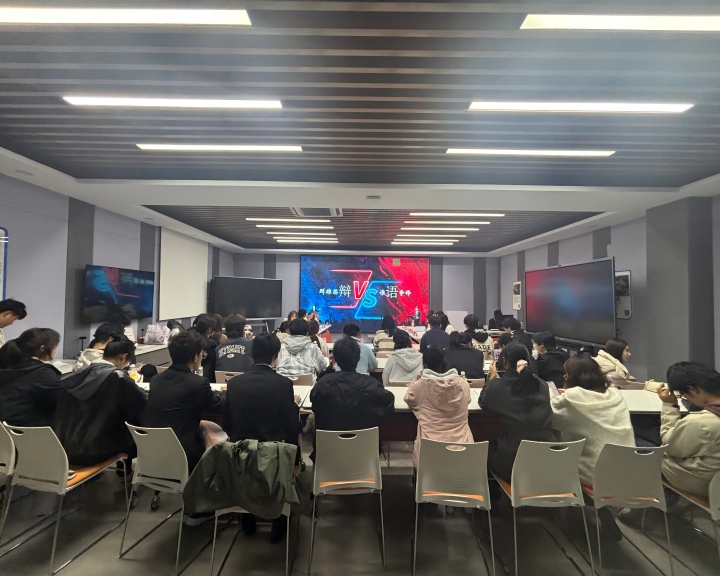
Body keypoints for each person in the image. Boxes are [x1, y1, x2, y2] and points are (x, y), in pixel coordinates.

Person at [223, 333, 302, 542]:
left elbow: (227, 424)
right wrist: (295, 460)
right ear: (276, 355)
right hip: (273, 459)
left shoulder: (234, 383)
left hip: (241, 457)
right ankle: (279, 520)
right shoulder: (283, 384)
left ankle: (247, 520)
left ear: (252, 353)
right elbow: (291, 427)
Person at [53, 335, 146, 466]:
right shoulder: (118, 378)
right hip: (99, 449)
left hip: (67, 447)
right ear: (124, 357)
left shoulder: (79, 374)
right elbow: (142, 404)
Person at [144, 330, 225, 472]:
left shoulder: (156, 380)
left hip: (154, 452)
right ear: (195, 357)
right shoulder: (198, 383)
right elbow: (218, 407)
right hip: (186, 453)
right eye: (201, 354)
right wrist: (223, 392)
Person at [550, 353, 634, 486]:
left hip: (597, 474)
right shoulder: (615, 394)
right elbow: (586, 397)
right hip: (630, 470)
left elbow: (550, 416)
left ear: (572, 378)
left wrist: (551, 394)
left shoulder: (572, 397)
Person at [479, 342, 555, 482]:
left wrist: (491, 378)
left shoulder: (497, 387)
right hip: (548, 459)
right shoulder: (542, 385)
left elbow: (484, 402)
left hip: (515, 462)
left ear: (504, 362)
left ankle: (493, 489)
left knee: (483, 446)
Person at [310, 337, 395, 461]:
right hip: (365, 455)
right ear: (358, 358)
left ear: (335, 359)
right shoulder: (372, 385)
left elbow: (315, 407)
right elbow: (389, 408)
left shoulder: (322, 385)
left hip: (328, 455)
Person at [657, 362, 720, 498]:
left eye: (683, 395)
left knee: (648, 450)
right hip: (714, 477)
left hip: (707, 485)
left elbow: (669, 446)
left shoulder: (699, 423)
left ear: (692, 390)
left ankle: (645, 506)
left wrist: (669, 405)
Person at [404, 346, 473, 469]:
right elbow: (467, 400)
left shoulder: (420, 386)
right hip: (463, 456)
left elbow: (408, 398)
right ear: (445, 362)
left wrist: (418, 378)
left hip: (429, 460)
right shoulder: (463, 385)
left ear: (425, 365)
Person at [0, 327, 62, 426]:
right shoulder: (43, 373)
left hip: (4, 427)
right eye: (54, 347)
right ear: (42, 348)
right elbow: (59, 402)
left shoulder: (7, 363)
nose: (55, 351)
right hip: (25, 429)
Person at [189, 314, 218, 382]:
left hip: (190, 375)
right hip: (206, 377)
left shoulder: (190, 339)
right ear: (209, 330)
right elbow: (212, 365)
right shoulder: (212, 344)